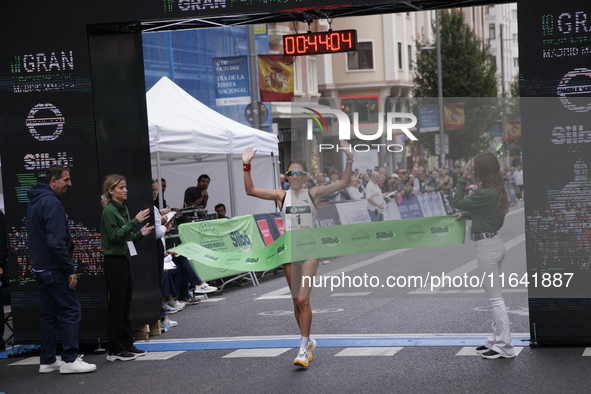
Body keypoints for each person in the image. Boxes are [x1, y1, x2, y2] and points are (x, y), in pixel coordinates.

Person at [242, 140, 354, 368]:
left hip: (311, 250)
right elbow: (250, 191)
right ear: (287, 177)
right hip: (289, 251)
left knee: (303, 299)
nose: (293, 176)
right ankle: (308, 340)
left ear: (305, 177)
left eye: (298, 173)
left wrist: (349, 159)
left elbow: (343, 182)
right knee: (296, 302)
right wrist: (246, 166)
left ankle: (303, 348)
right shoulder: (280, 196)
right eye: (290, 173)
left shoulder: (314, 193)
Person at [26, 165, 96, 374]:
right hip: (54, 268)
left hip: (40, 268)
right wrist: (69, 269)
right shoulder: (51, 203)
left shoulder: (35, 201)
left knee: (49, 314)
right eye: (66, 179)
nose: (70, 183)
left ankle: (48, 360)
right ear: (53, 181)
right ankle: (69, 359)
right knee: (71, 310)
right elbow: (56, 241)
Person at [453, 152, 514, 359]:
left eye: (475, 168)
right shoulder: (495, 190)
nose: (472, 172)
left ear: (483, 170)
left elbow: (458, 201)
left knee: (495, 299)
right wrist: (467, 214)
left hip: (487, 247)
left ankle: (504, 345)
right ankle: (495, 340)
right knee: (494, 297)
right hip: (494, 243)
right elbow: (486, 213)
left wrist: (463, 176)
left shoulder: (484, 193)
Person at [100, 174, 154, 362]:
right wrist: (135, 222)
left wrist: (140, 234)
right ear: (110, 190)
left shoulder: (122, 209)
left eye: (125, 187)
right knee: (117, 306)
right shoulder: (109, 211)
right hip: (114, 262)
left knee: (125, 305)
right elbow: (114, 236)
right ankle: (114, 349)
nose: (125, 190)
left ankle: (126, 342)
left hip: (123, 260)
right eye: (121, 187)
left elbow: (127, 238)